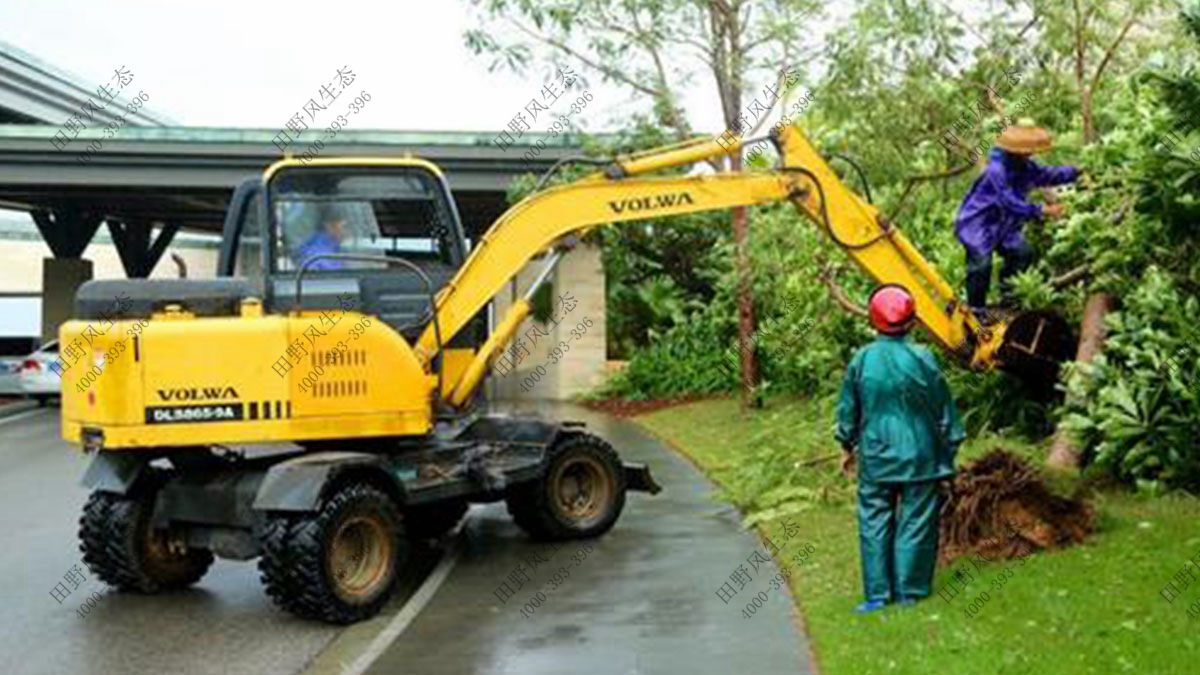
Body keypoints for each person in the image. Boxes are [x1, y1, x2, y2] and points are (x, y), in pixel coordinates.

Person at [835, 284, 965, 614]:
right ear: (911, 321)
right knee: (917, 520)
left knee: (874, 520)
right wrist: (949, 451)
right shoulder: (924, 358)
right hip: (921, 454)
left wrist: (847, 444)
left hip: (877, 455)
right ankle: (911, 591)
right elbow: (945, 411)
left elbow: (849, 410)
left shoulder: (862, 359)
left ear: (873, 320)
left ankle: (878, 596)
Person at [954, 119, 1079, 317]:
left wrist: (1075, 172)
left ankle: (1008, 299)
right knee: (981, 264)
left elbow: (1046, 174)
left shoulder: (1024, 166)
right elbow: (1008, 201)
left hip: (1004, 224)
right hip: (979, 222)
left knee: (1022, 253)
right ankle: (975, 310)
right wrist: (1041, 210)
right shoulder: (997, 170)